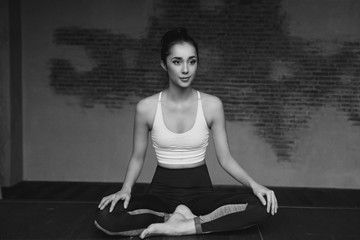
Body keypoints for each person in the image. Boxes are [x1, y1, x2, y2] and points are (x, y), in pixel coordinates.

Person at [95, 27, 278, 238]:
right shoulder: (146, 107)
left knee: (263, 205)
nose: (185, 69)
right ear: (164, 64)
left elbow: (225, 159)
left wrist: (255, 185)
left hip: (201, 195)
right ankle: (181, 220)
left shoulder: (212, 105)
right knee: (105, 215)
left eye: (192, 61)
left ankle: (181, 226)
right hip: (160, 196)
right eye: (177, 61)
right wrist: (125, 189)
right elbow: (137, 158)